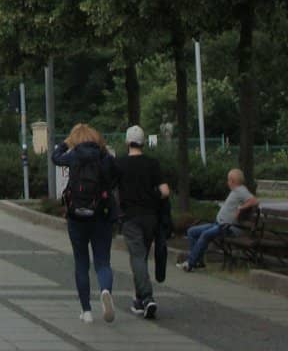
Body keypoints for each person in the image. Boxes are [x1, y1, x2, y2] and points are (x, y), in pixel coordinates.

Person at [52, 123, 119, 325]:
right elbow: (114, 180)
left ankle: (86, 311)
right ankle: (105, 290)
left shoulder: (73, 156)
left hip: (76, 217)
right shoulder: (104, 157)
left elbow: (55, 158)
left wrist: (64, 144)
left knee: (81, 263)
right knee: (103, 262)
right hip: (101, 216)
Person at [113, 125, 169, 319]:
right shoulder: (152, 164)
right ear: (143, 143)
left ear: (127, 142)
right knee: (142, 256)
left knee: (137, 257)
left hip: (130, 217)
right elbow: (165, 191)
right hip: (150, 217)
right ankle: (139, 301)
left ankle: (147, 298)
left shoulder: (119, 164)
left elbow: (112, 189)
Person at [177, 168, 258, 271]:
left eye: (228, 180)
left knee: (205, 234)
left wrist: (241, 208)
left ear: (233, 181)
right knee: (192, 231)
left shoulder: (241, 190)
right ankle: (198, 261)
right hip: (219, 224)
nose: (227, 182)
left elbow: (254, 201)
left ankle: (190, 263)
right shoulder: (236, 191)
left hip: (228, 228)